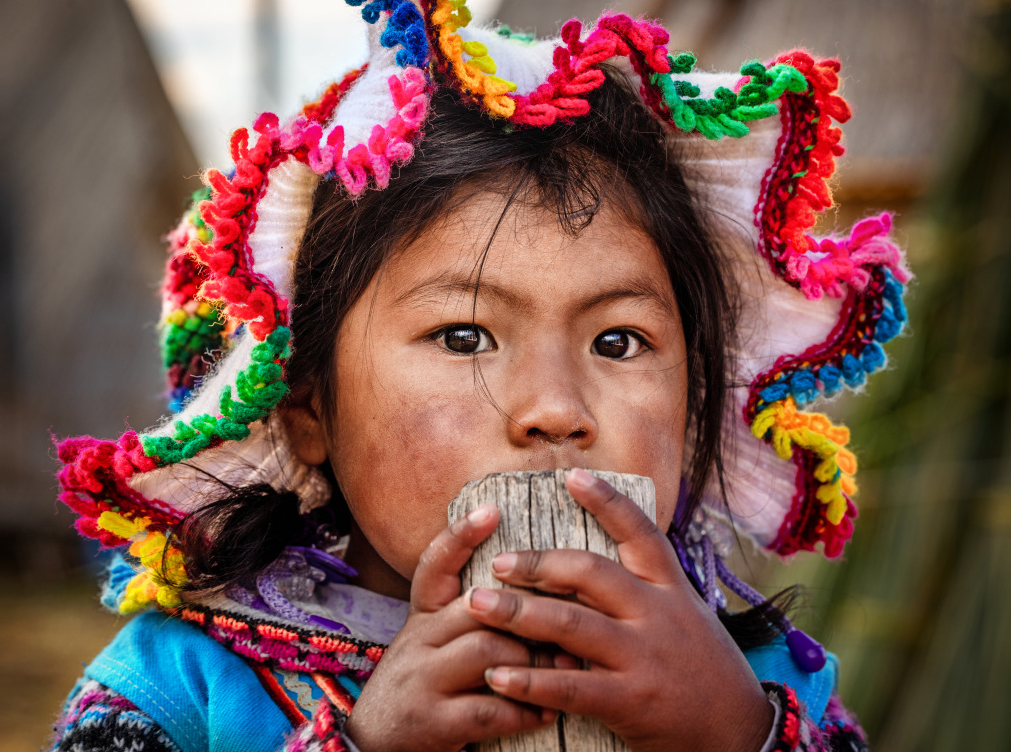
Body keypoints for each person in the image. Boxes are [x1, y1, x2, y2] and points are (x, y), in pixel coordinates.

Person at [50, 2, 910, 750]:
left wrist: (736, 737)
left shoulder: (752, 685)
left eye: (618, 342)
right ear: (306, 406)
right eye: (464, 336)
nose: (554, 411)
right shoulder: (182, 690)